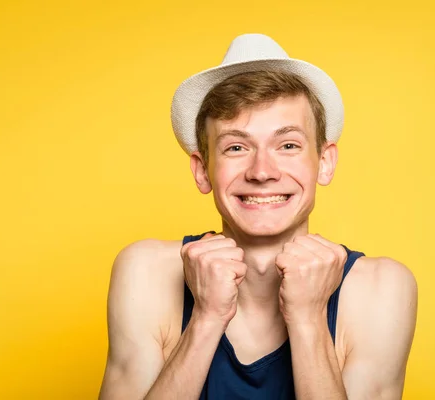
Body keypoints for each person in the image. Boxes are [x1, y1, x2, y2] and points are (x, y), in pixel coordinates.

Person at [98, 34, 418, 400]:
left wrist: (309, 320)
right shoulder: (145, 272)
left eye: (288, 145)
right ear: (203, 171)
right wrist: (206, 319)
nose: (262, 171)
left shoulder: (381, 289)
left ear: (325, 163)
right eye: (236, 147)